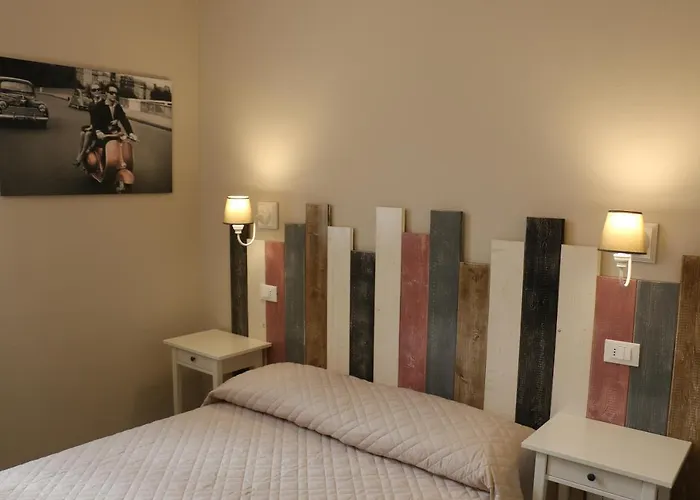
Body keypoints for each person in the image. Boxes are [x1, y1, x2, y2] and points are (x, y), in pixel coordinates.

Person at [91, 84, 138, 168]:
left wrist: (130, 133)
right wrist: (98, 131)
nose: (114, 95)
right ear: (106, 93)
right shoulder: (99, 106)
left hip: (115, 133)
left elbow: (124, 119)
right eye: (111, 93)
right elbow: (95, 121)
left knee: (123, 145)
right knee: (105, 149)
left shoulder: (117, 106)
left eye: (116, 93)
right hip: (103, 133)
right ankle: (104, 167)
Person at [73, 84, 103, 167]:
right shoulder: (91, 104)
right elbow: (93, 118)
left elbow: (104, 119)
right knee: (82, 133)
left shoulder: (104, 103)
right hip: (95, 126)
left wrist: (93, 127)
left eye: (98, 89)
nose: (97, 91)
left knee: (88, 134)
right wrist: (91, 126)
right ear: (90, 92)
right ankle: (80, 154)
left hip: (102, 128)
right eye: (94, 90)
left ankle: (81, 156)